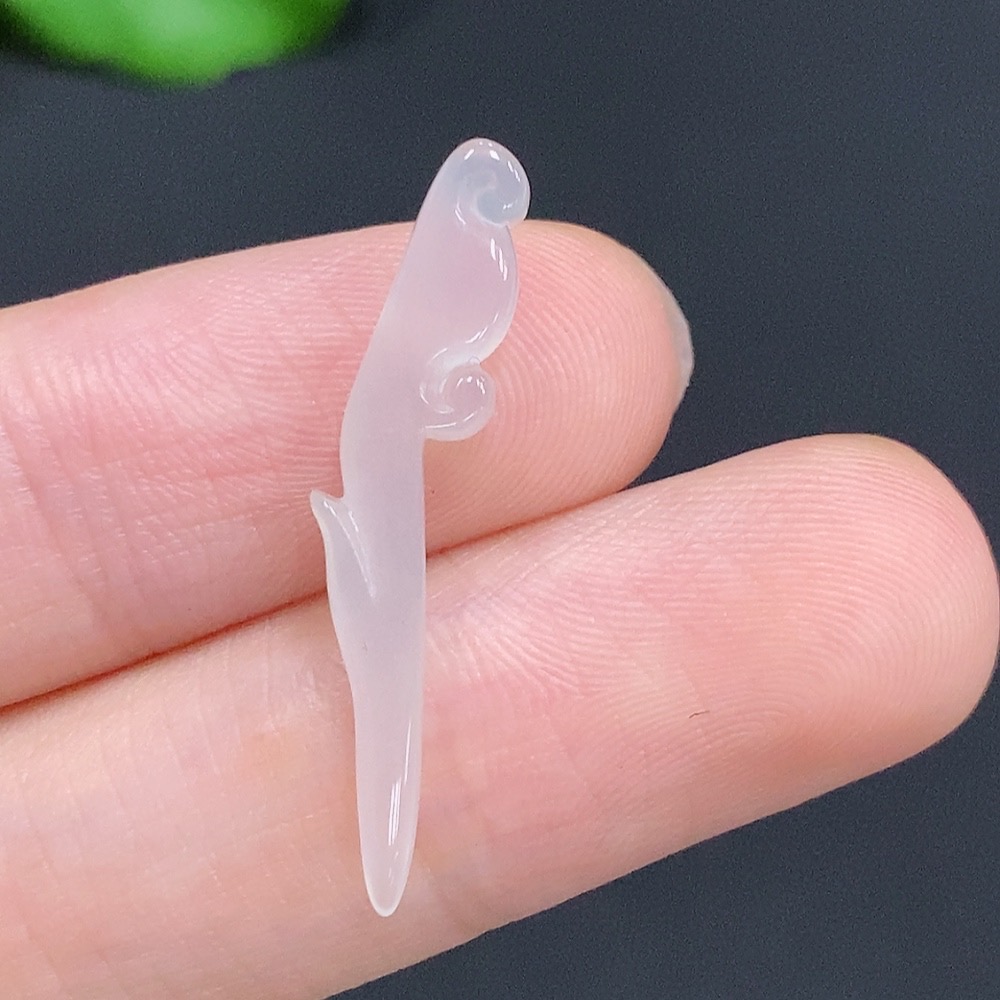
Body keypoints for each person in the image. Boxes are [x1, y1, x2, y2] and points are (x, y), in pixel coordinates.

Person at [0, 219, 996, 999]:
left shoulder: (447, 289)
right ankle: (387, 822)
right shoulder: (439, 295)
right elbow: (430, 377)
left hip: (385, 477)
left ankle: (388, 818)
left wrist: (450, 402)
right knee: (382, 642)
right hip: (380, 479)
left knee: (386, 642)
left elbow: (438, 377)